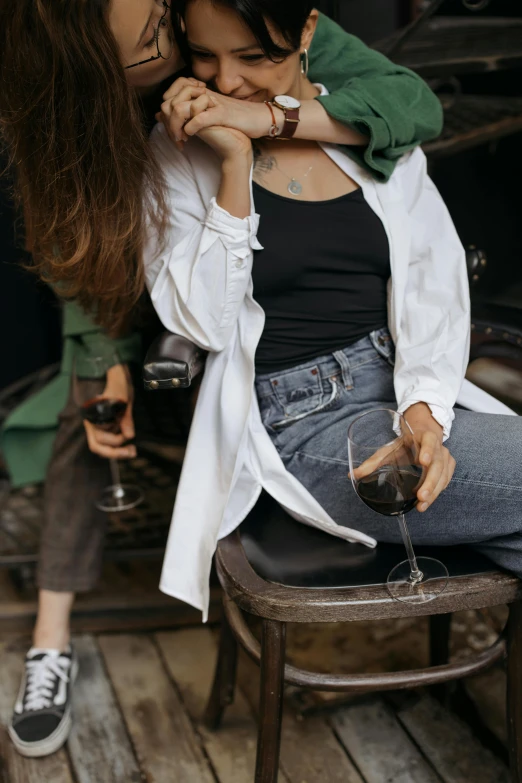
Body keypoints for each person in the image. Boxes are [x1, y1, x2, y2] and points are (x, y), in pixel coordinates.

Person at [0, 0, 445, 759]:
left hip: (244, 281)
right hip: (134, 281)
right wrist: (103, 355)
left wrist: (257, 118)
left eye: (162, 24)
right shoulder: (85, 103)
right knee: (88, 406)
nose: (171, 52)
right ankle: (50, 640)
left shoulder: (236, 25)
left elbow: (411, 105)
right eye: (144, 50)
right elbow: (83, 245)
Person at [144, 0, 520, 627]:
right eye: (205, 56)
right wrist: (234, 166)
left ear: (308, 32)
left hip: (408, 387)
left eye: (254, 57)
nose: (226, 83)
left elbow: (433, 283)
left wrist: (425, 410)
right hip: (307, 428)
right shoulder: (180, 147)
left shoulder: (367, 125)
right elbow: (203, 323)